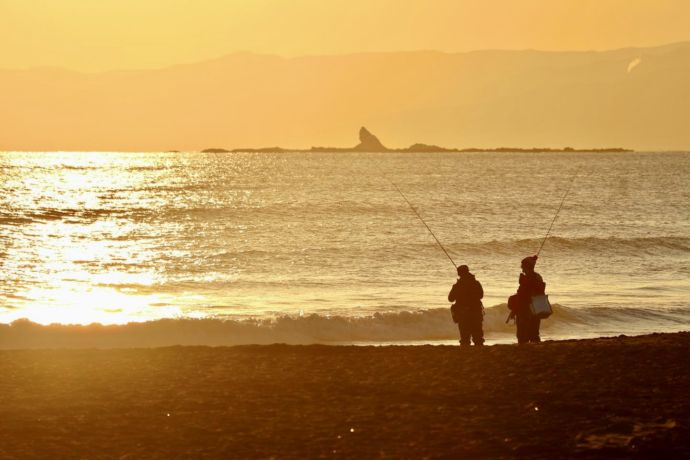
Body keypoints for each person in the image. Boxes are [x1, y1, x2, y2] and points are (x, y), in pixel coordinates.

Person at [508, 255, 546, 344]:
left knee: (522, 334)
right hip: (536, 308)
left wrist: (514, 310)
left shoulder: (527, 279)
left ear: (527, 267)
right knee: (534, 333)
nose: (522, 269)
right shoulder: (538, 277)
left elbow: (522, 295)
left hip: (525, 309)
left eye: (523, 266)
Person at [448, 265, 484, 346]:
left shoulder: (458, 286)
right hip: (476, 312)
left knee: (465, 338)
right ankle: (479, 352)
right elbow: (481, 295)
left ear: (459, 274)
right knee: (478, 337)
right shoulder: (476, 283)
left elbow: (450, 299)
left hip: (463, 313)